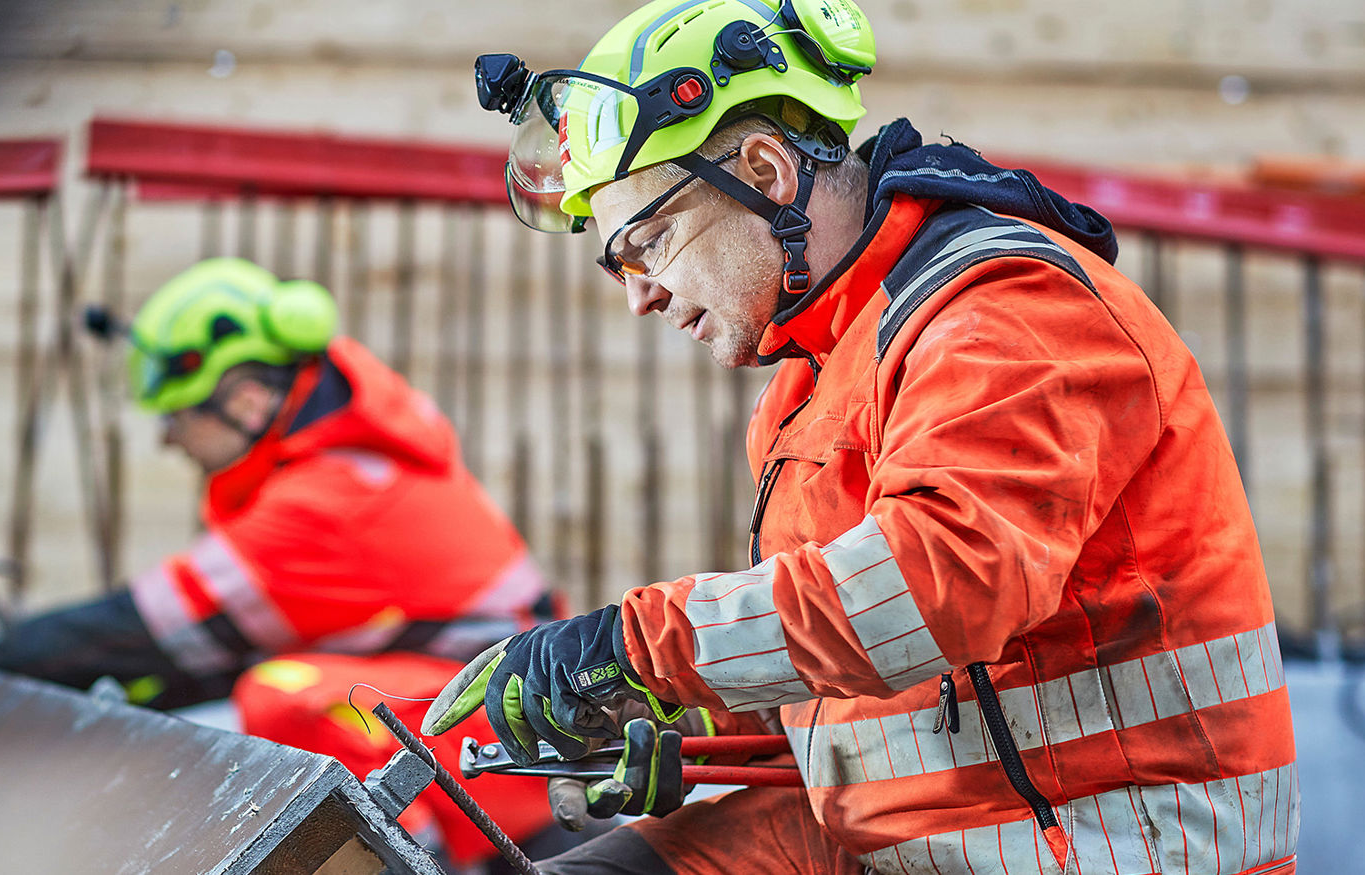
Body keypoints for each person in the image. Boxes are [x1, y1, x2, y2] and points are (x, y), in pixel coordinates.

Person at [424, 2, 1300, 874]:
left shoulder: (1004, 311)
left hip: (1089, 846)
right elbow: (857, 669)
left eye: (647, 243)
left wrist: (640, 650)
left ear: (765, 170)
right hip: (924, 835)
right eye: (620, 265)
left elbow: (944, 584)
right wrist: (689, 730)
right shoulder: (812, 379)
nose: (639, 295)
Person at [0, 257, 564, 870]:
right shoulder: (346, 461)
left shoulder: (327, 501)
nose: (167, 436)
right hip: (495, 712)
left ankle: (419, 863)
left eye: (179, 415)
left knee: (279, 693)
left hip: (499, 743)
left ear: (244, 399)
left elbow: (147, 630)